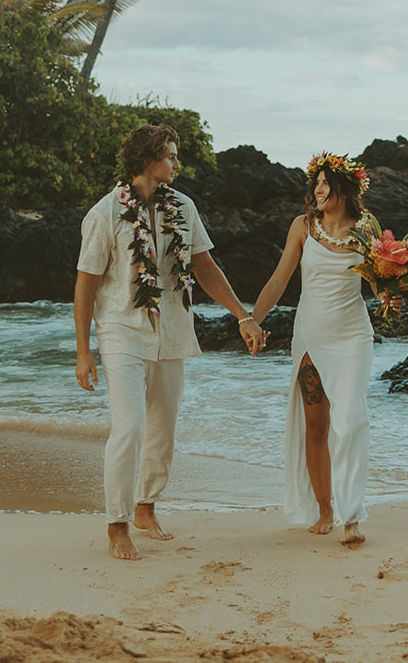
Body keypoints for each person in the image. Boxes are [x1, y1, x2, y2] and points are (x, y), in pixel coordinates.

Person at [74, 123, 265, 560]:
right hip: (121, 328)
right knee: (130, 427)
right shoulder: (104, 214)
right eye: (172, 156)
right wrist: (84, 351)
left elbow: (205, 266)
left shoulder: (183, 207)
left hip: (172, 328)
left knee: (162, 428)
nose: (178, 164)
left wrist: (243, 316)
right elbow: (85, 286)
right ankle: (117, 524)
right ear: (148, 160)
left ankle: (145, 507)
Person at [247, 152, 397, 547]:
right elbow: (280, 280)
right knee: (316, 425)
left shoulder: (367, 230)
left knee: (351, 421)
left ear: (344, 188)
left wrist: (392, 299)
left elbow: (380, 286)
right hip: (310, 338)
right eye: (315, 183)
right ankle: (325, 508)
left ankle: (352, 517)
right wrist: (252, 319)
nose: (317, 189)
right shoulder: (302, 227)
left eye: (325, 183)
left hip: (353, 338)